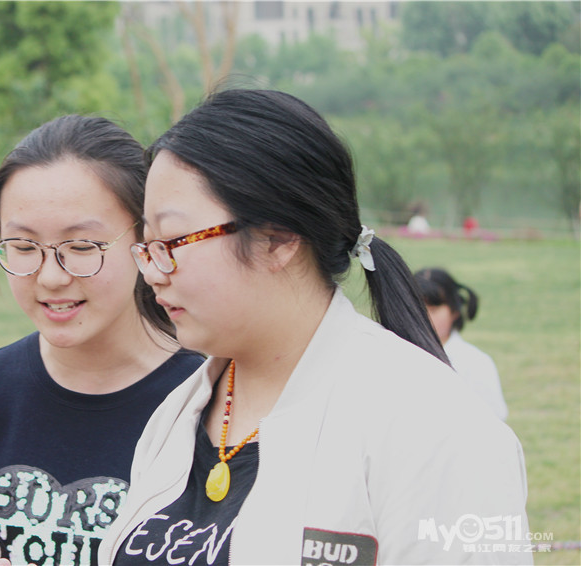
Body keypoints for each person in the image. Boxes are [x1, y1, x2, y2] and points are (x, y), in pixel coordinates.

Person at [98, 90, 531, 565]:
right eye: (148, 245)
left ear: (278, 239)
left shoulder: (437, 430)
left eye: (173, 241)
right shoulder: (178, 413)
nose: (152, 272)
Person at [0, 115, 204, 566]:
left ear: (144, 239)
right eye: (23, 246)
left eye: (82, 246)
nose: (51, 277)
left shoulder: (212, 398)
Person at [415, 267, 509, 421]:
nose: (425, 317)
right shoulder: (399, 354)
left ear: (454, 311)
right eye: (418, 309)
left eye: (434, 309)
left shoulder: (474, 362)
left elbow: (494, 418)